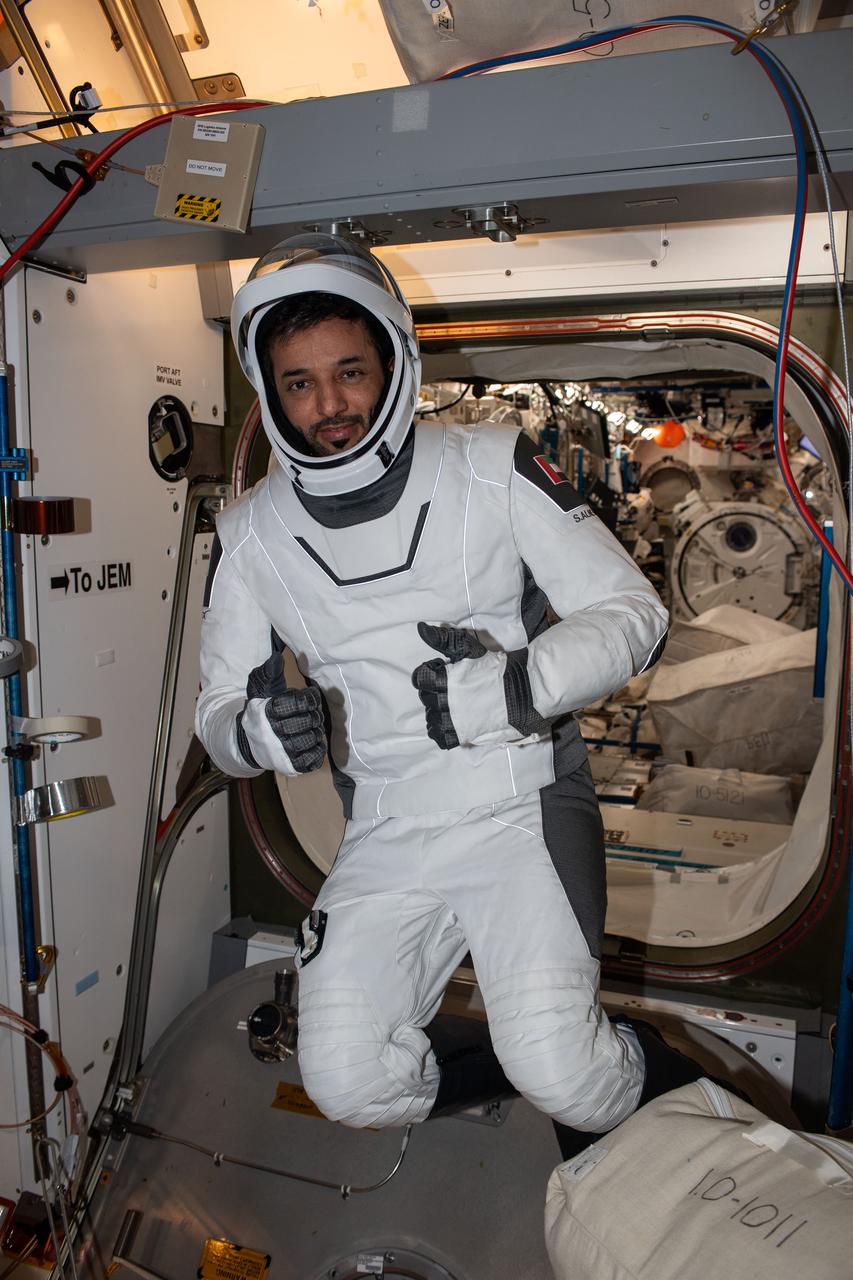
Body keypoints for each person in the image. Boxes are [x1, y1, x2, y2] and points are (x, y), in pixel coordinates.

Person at [196, 233, 698, 1146]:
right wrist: (258, 735)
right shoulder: (250, 536)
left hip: (520, 802)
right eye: (300, 383)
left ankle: (664, 1086)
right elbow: (215, 721)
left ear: (394, 361)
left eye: (350, 372)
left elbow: (632, 613)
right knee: (349, 1080)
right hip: (386, 824)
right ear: (270, 394)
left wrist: (516, 685)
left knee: (573, 1080)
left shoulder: (491, 466)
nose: (331, 406)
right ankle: (535, 1053)